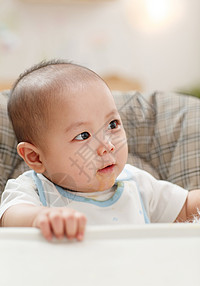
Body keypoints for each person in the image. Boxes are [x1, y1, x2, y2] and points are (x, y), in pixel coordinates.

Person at [0, 59, 200, 241]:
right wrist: (41, 217)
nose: (108, 145)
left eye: (113, 125)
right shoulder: (33, 189)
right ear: (35, 157)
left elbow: (185, 207)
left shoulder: (136, 183)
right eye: (83, 136)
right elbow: (10, 217)